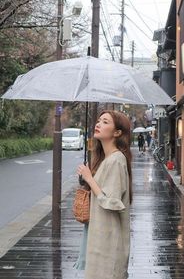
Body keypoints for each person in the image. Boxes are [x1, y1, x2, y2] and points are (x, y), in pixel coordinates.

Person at [77, 110, 132, 279]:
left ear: (117, 132)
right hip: (100, 237)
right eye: (99, 120)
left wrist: (89, 178)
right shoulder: (105, 159)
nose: (98, 124)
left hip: (109, 242)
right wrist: (87, 178)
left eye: (105, 122)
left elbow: (111, 201)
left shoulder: (116, 160)